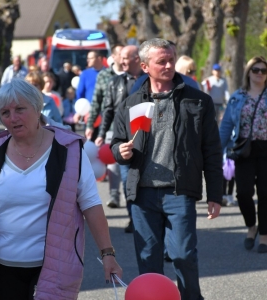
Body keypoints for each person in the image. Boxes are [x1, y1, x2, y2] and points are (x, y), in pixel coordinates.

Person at [0, 79, 122, 300]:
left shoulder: (69, 151)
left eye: (20, 109)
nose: (13, 118)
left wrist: (107, 253)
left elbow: (91, 204)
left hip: (55, 267)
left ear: (38, 107)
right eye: (5, 112)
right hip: (3, 267)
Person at [111, 38, 222, 299]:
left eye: (172, 59)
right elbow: (116, 142)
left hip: (179, 191)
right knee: (148, 260)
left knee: (183, 256)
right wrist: (121, 151)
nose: (170, 65)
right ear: (145, 66)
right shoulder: (131, 103)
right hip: (142, 194)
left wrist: (215, 194)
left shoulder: (198, 101)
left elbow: (212, 151)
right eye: (162, 61)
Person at [219, 56, 267, 253]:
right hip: (244, 150)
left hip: (266, 149)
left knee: (265, 194)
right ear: (248, 72)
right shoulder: (238, 96)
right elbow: (226, 126)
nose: (259, 73)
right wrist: (215, 152)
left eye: (263, 70)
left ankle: (264, 235)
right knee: (243, 193)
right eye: (255, 69)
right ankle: (251, 226)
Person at [96, 45, 144, 233]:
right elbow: (107, 110)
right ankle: (134, 218)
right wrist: (101, 134)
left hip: (144, 139)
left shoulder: (148, 80)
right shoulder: (114, 82)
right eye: (120, 58)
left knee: (144, 182)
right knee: (127, 181)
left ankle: (146, 218)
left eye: (125, 58)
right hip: (122, 140)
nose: (121, 61)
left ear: (136, 58)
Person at [84, 44, 124, 212]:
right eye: (121, 55)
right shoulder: (104, 76)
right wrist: (90, 124)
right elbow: (96, 102)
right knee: (113, 161)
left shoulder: (134, 75)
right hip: (110, 125)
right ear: (113, 57)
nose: (124, 59)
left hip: (132, 126)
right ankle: (114, 194)